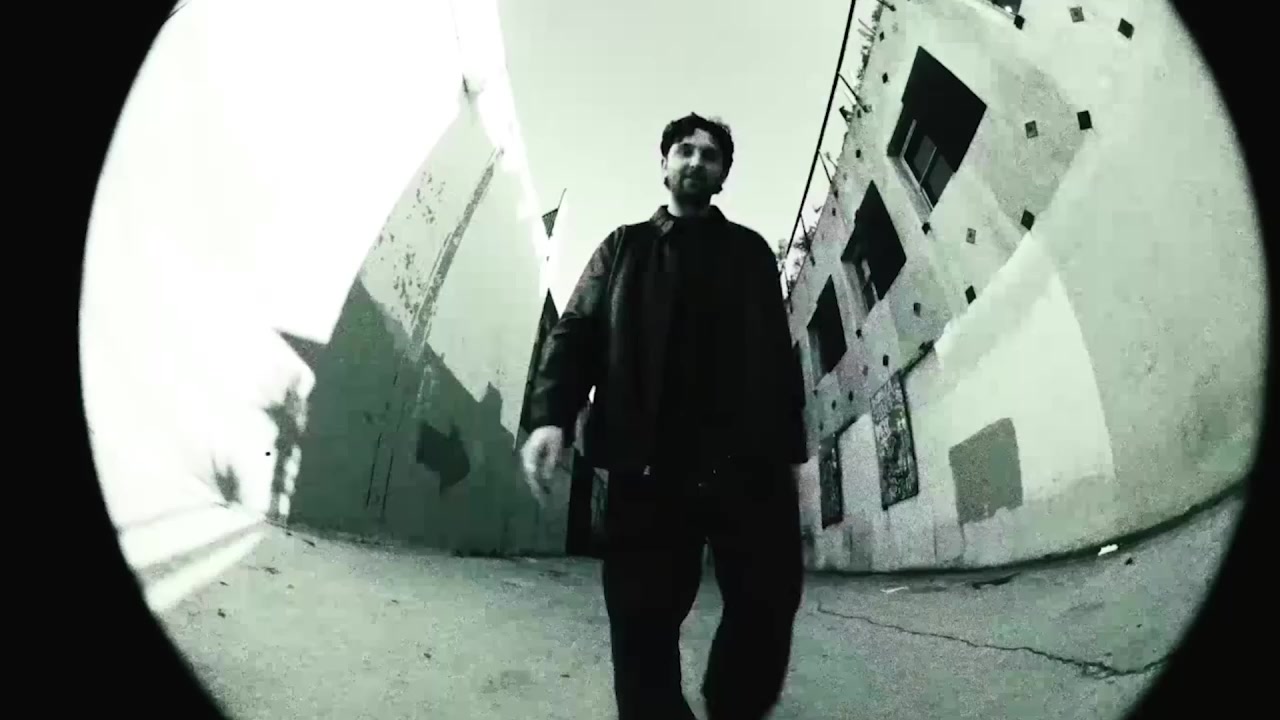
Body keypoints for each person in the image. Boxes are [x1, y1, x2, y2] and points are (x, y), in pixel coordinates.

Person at [520, 112, 809, 720]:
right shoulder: (624, 247)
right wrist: (551, 415)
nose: (696, 161)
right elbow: (576, 331)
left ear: (723, 176)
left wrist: (789, 451)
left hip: (745, 463)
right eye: (684, 150)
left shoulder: (751, 252)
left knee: (767, 598)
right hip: (648, 462)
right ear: (664, 165)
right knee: (641, 618)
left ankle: (733, 706)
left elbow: (777, 357)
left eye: (710, 154)